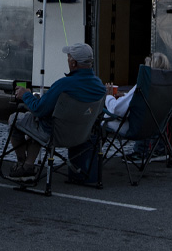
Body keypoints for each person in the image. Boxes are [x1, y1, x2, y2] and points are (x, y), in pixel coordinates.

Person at [9, 43, 106, 180]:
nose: (67, 60)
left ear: (73, 63)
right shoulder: (100, 86)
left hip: (54, 135)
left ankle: (22, 163)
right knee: (36, 121)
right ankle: (29, 165)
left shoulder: (64, 85)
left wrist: (25, 94)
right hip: (82, 135)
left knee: (16, 118)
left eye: (68, 57)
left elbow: (39, 109)